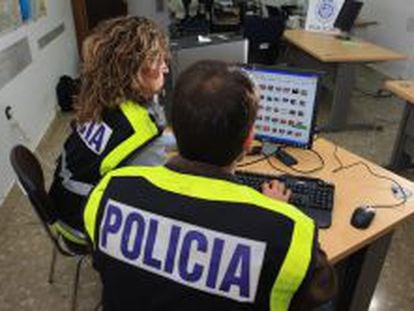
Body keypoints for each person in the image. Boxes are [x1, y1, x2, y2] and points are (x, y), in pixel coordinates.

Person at [83, 60, 336, 310]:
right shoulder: (287, 229)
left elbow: (105, 262)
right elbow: (322, 290)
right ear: (249, 139)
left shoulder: (110, 189)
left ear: (175, 128)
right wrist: (273, 212)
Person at [49, 16, 174, 236]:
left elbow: (134, 147)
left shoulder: (103, 98)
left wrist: (184, 138)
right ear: (132, 70)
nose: (165, 67)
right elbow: (159, 188)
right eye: (156, 60)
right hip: (82, 223)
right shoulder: (139, 129)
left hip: (64, 202)